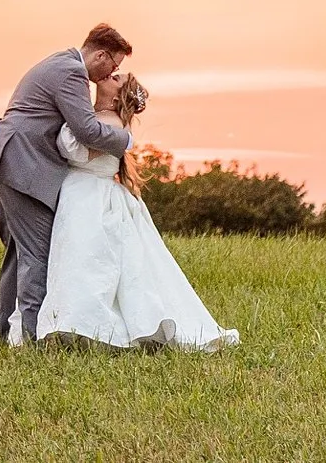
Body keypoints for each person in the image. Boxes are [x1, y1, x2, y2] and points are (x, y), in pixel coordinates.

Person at [33, 71, 238, 350]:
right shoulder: (91, 116)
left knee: (88, 262)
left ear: (117, 95)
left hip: (91, 197)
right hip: (78, 192)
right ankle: (67, 324)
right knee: (73, 261)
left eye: (117, 78)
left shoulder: (110, 123)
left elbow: (74, 151)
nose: (110, 75)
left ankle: (88, 327)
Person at [0, 24, 138, 345]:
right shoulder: (72, 71)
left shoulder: (57, 62)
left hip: (1, 159)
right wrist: (128, 140)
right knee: (37, 252)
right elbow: (88, 130)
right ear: (101, 54)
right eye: (114, 65)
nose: (113, 72)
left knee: (18, 251)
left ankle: (7, 331)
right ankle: (34, 337)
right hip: (20, 165)